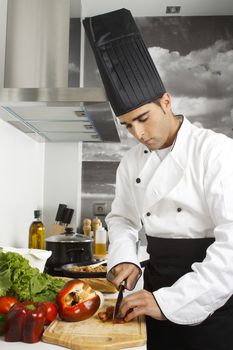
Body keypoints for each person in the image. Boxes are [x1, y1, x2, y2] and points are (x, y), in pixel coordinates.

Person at [83, 9, 233, 350]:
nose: (137, 133)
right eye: (127, 125)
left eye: (143, 119)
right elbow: (121, 219)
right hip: (153, 288)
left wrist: (168, 302)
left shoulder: (217, 153)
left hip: (211, 299)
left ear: (166, 102)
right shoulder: (131, 162)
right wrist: (125, 257)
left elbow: (231, 250)